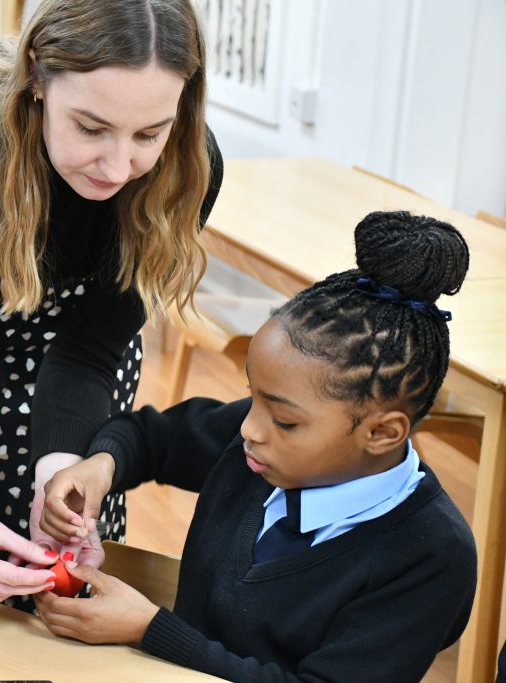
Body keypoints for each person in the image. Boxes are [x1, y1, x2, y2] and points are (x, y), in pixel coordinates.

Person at [0, 0, 224, 608]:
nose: (118, 167)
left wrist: (58, 476)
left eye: (149, 135)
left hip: (77, 355)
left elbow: (88, 352)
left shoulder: (187, 170)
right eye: (90, 128)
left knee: (59, 557)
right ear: (36, 76)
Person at [35, 211, 477, 681]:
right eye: (253, 398)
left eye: (284, 420)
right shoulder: (262, 443)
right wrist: (102, 466)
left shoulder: (430, 556)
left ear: (382, 434)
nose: (249, 428)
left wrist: (150, 630)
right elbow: (151, 438)